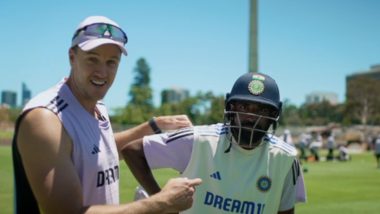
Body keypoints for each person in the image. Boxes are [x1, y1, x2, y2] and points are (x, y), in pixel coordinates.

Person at [12, 15, 202, 214]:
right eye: (92, 59)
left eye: (112, 62)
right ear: (72, 57)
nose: (102, 72)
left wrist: (152, 126)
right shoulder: (45, 118)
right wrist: (159, 203)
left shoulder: (98, 106)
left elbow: (100, 152)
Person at [122, 72, 307, 214]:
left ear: (274, 114)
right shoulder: (199, 140)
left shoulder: (286, 158)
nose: (251, 117)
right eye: (243, 107)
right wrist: (161, 203)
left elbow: (285, 211)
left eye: (262, 110)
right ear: (230, 107)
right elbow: (133, 151)